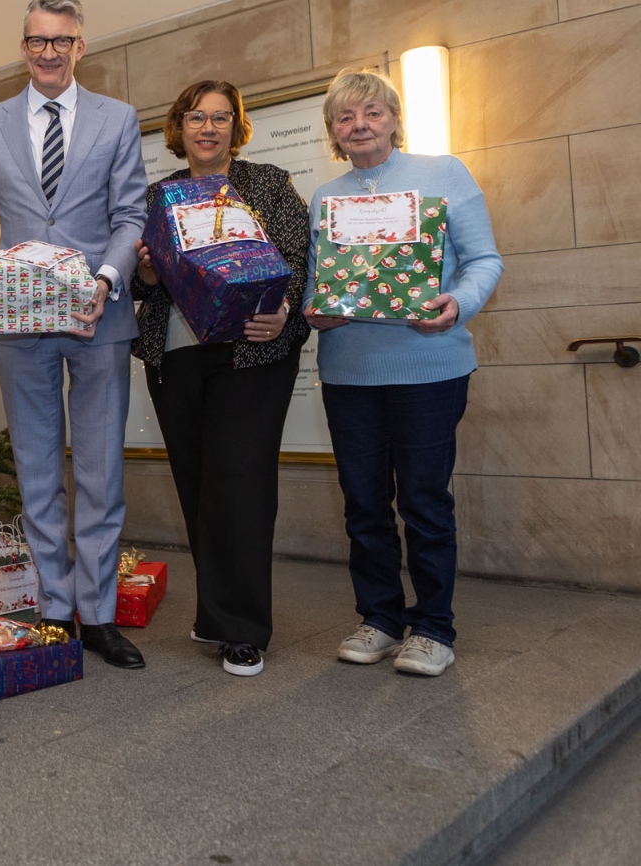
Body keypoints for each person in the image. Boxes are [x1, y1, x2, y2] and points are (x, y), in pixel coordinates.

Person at [0, 0, 148, 669]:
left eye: (62, 41)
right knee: (36, 473)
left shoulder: (117, 120)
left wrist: (106, 281)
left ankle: (99, 616)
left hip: (100, 318)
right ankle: (56, 610)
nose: (50, 52)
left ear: (80, 46)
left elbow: (130, 218)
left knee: (100, 474)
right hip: (20, 320)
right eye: (38, 41)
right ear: (24, 47)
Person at [304, 67, 502, 677]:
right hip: (348, 372)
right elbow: (320, 285)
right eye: (345, 117)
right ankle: (381, 619)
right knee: (363, 504)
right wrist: (318, 311)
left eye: (372, 113)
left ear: (393, 118)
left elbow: (485, 260)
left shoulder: (444, 174)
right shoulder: (326, 196)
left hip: (429, 367)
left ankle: (433, 628)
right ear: (334, 132)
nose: (359, 125)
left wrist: (457, 304)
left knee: (423, 500)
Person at [130, 81, 310, 678]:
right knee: (198, 485)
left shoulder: (268, 184)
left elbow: (295, 257)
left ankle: (242, 629)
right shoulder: (155, 195)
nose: (208, 128)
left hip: (252, 353)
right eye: (196, 117)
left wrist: (282, 308)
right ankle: (216, 613)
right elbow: (138, 285)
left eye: (221, 118)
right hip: (176, 355)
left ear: (237, 127)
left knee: (239, 482)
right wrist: (150, 275)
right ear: (178, 128)